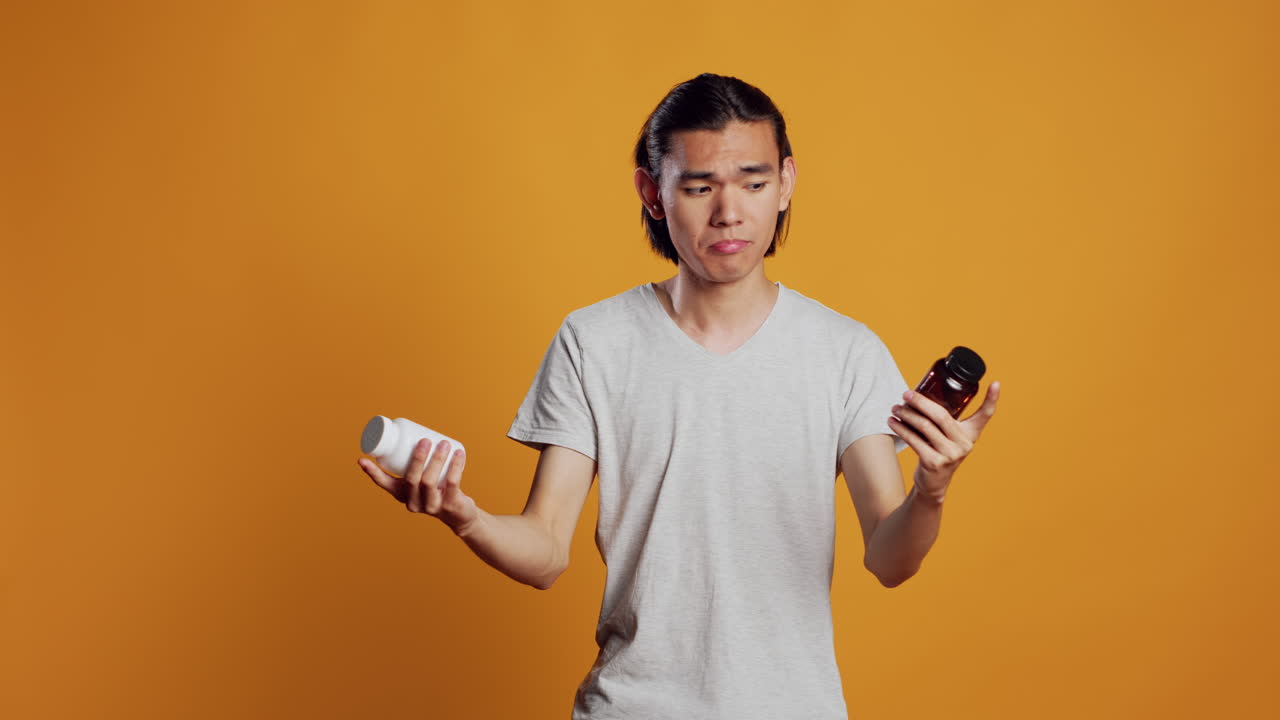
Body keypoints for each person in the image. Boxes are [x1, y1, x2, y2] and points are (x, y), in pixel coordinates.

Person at [357, 73, 1001, 720]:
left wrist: (932, 489)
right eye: (699, 187)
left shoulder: (845, 351)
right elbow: (546, 551)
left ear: (786, 183)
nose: (729, 212)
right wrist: (465, 517)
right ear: (652, 192)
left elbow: (890, 559)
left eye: (753, 183)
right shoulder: (594, 341)